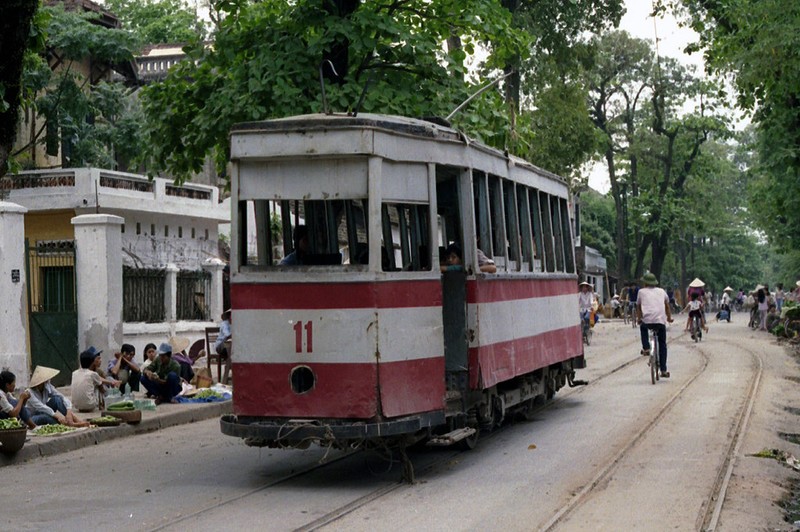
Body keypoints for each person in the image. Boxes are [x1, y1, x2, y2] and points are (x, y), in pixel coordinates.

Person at [637, 273, 674, 378]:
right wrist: (669, 318)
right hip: (660, 322)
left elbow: (638, 307)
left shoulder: (641, 292)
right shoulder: (662, 291)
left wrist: (639, 319)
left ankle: (646, 348)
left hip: (647, 321)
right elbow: (667, 305)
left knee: (643, 327)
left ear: (645, 283)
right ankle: (663, 370)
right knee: (662, 344)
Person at [72, 346, 120, 412]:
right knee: (100, 385)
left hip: (76, 405)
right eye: (98, 358)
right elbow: (102, 388)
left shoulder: (75, 373)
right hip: (90, 404)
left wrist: (110, 382)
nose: (100, 360)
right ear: (93, 361)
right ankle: (103, 404)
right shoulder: (93, 373)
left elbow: (102, 378)